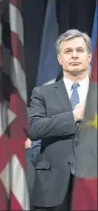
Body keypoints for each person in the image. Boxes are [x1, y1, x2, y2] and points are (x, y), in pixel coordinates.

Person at [29, 29, 92, 210]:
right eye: (68, 51)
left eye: (79, 51)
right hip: (52, 186)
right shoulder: (42, 93)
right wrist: (74, 116)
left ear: (88, 57)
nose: (74, 56)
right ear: (59, 59)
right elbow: (34, 128)